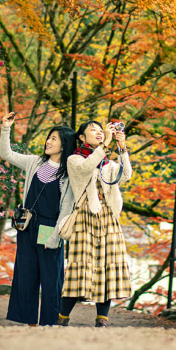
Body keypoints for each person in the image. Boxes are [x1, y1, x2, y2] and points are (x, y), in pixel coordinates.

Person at [0, 111, 77, 326]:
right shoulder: (35, 162)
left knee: (51, 280)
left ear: (64, 145)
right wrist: (6, 128)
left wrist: (54, 237)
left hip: (50, 228)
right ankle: (29, 323)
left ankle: (49, 324)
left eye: (54, 139)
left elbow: (67, 208)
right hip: (27, 226)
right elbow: (7, 154)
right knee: (26, 274)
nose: (48, 141)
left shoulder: (68, 174)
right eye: (48, 137)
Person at [58, 118, 132, 327]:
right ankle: (62, 317)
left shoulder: (108, 164)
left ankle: (102, 320)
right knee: (81, 266)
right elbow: (88, 166)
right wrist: (106, 143)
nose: (99, 132)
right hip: (85, 215)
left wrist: (122, 147)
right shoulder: (74, 160)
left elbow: (126, 175)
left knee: (109, 266)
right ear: (81, 137)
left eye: (102, 130)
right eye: (94, 130)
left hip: (109, 217)